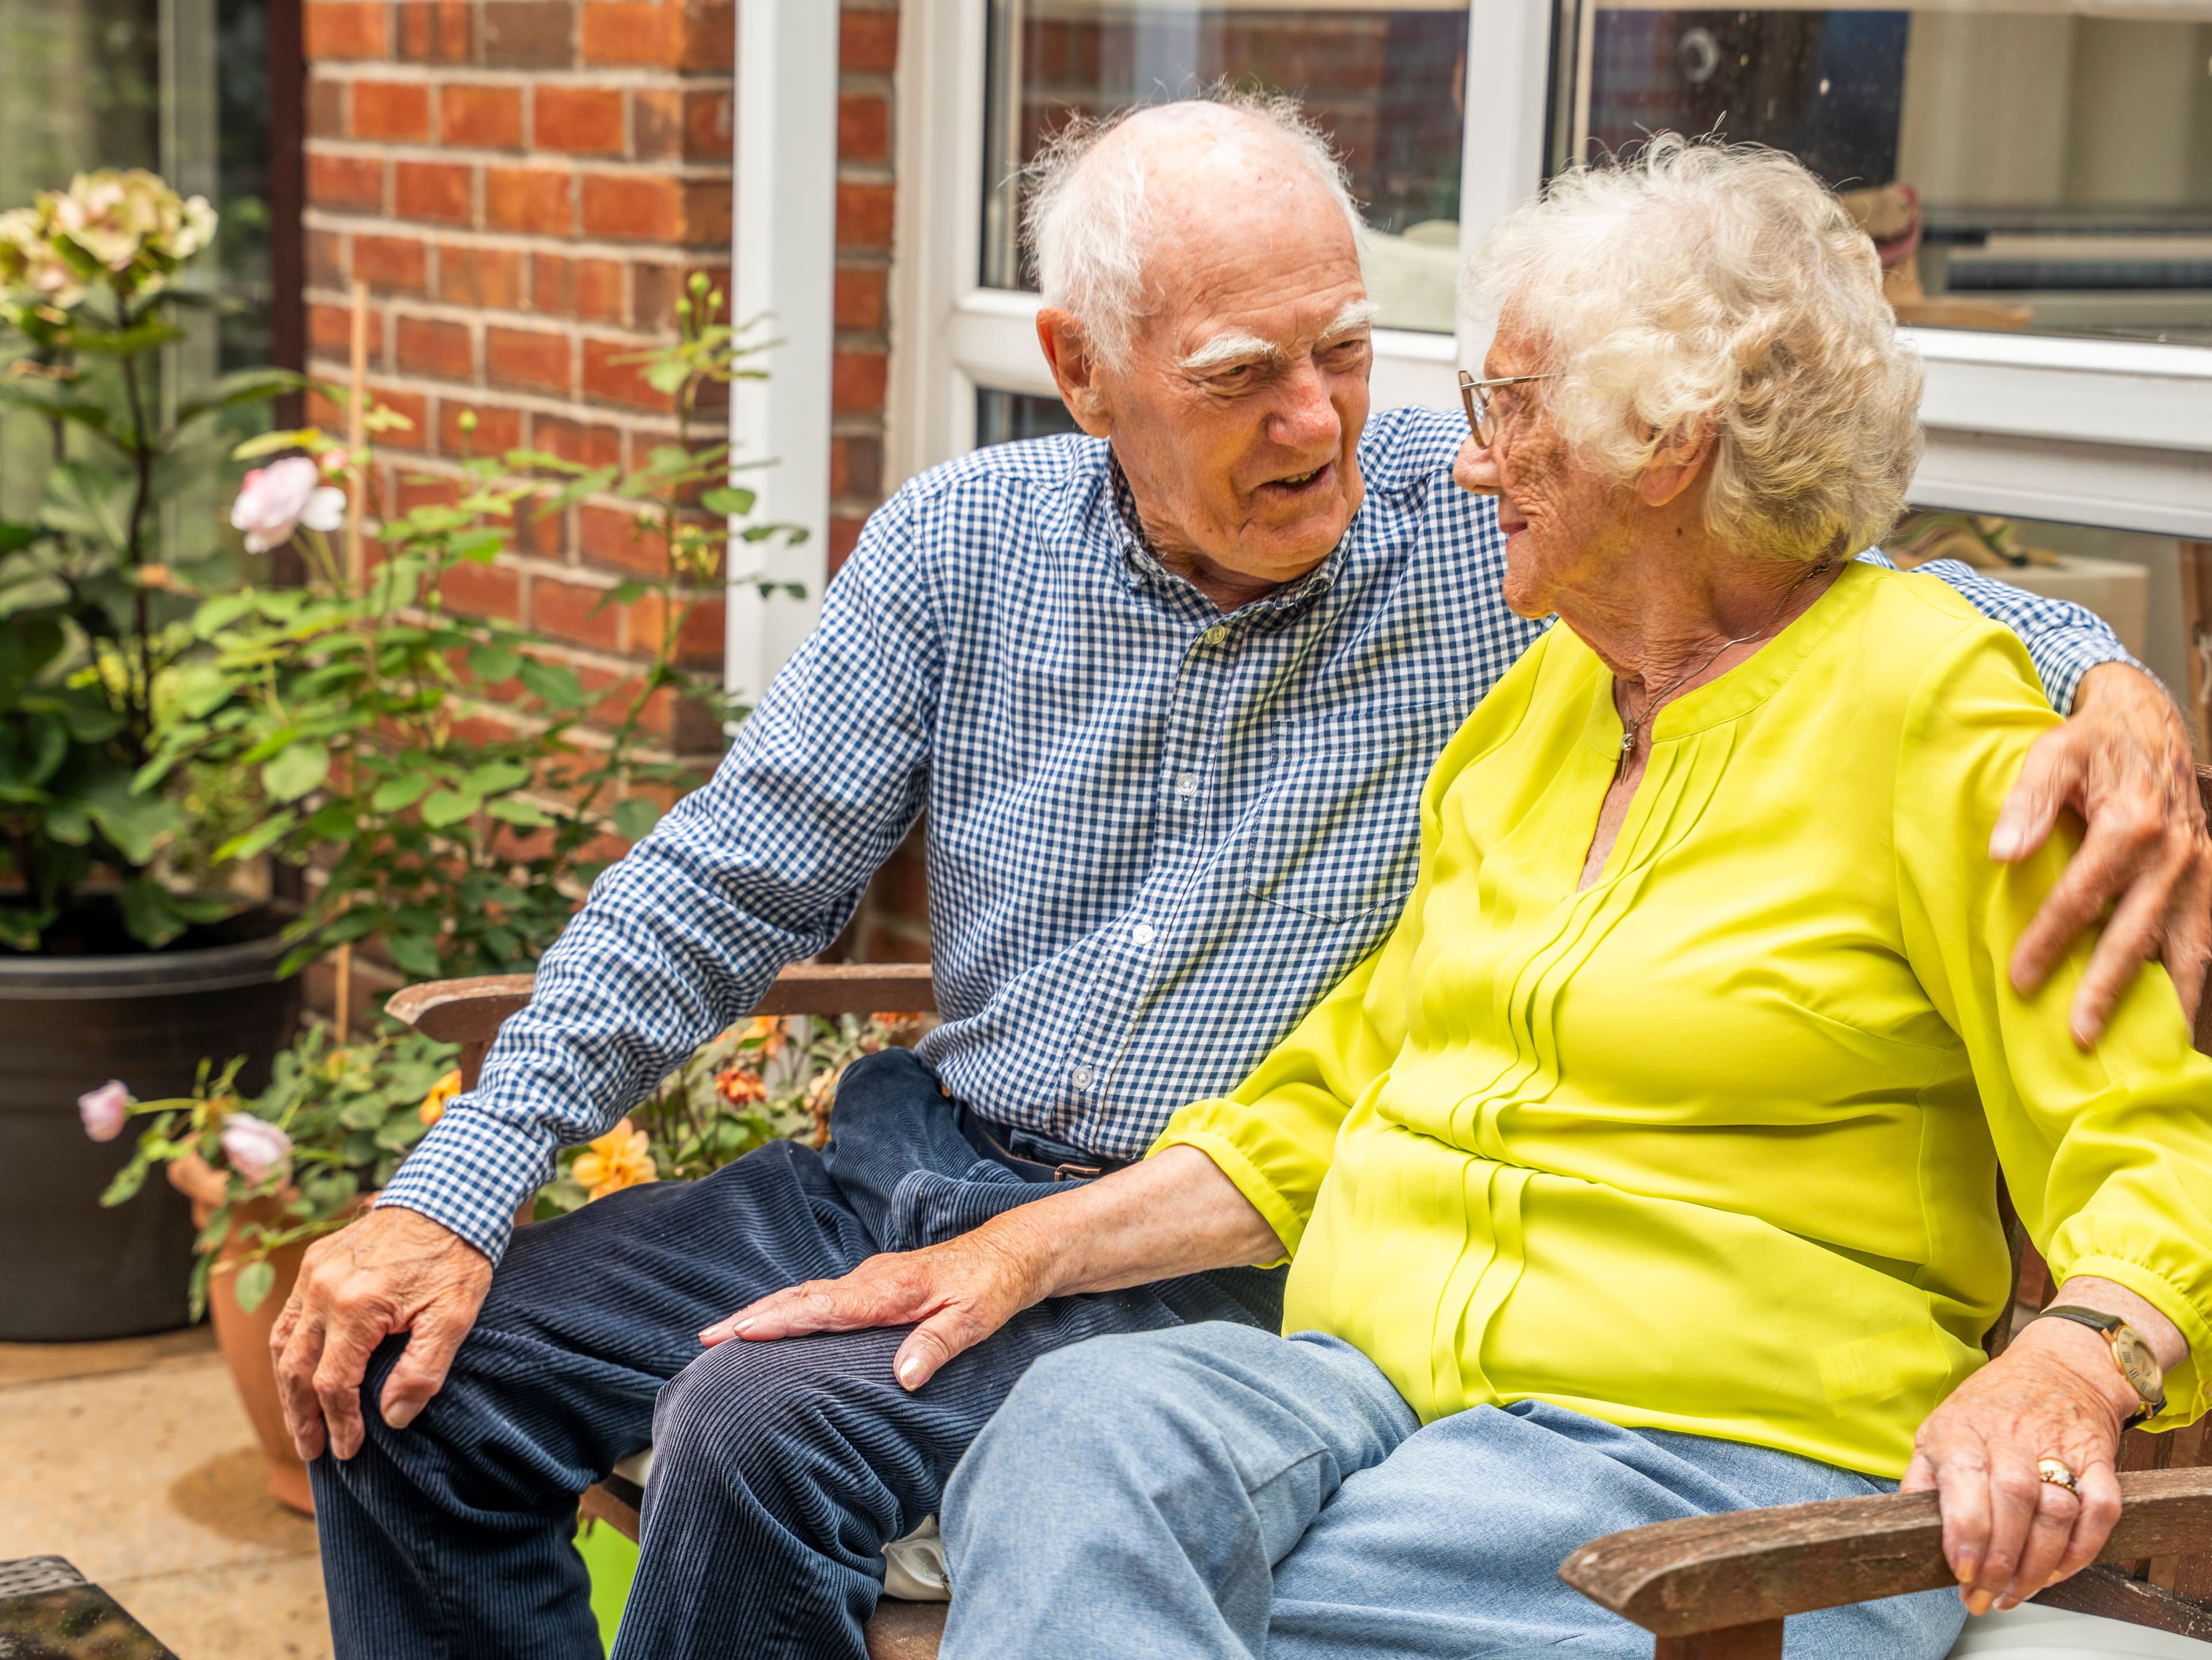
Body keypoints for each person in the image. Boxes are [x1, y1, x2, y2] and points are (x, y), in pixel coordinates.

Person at [283, 100, 2208, 1660]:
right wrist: (456, 1188)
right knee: (414, 1381)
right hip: (1009, 1200)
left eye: (1361, 358)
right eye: (1240, 375)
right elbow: (732, 886)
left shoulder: (1592, 610)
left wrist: (2106, 678)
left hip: (1358, 1317)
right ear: (1081, 372)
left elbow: (1828, 588)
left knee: (798, 1439)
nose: (1356, 433)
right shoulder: (1482, 680)